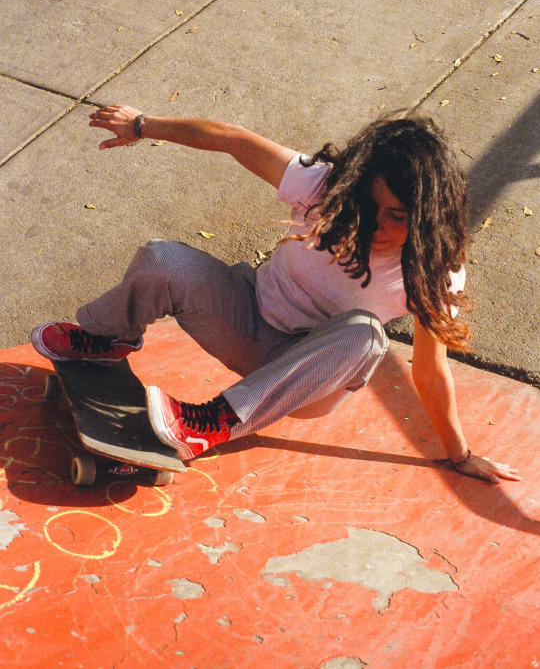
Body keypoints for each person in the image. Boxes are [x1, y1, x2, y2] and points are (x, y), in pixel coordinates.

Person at [31, 104, 521, 485]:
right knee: (164, 259)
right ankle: (107, 339)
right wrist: (142, 124)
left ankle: (213, 421)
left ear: (427, 215)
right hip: (246, 320)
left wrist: (460, 454)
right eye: (372, 207)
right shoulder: (322, 187)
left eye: (398, 216)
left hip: (309, 379)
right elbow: (232, 140)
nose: (379, 226)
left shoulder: (433, 272)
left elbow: (431, 370)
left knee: (367, 335)